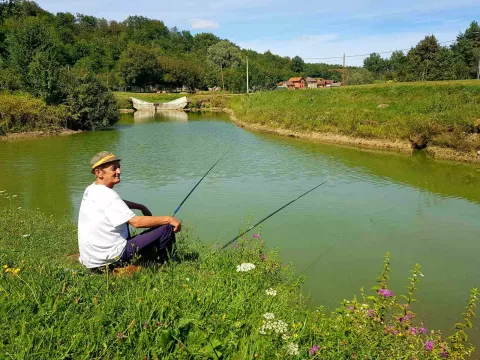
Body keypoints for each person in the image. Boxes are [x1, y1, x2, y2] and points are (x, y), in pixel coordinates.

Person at [78, 151, 181, 270]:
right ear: (99, 172)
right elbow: (136, 223)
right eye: (114, 168)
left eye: (119, 168)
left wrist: (140, 206)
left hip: (92, 259)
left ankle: (150, 258)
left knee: (133, 224)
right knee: (166, 228)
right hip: (111, 257)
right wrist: (169, 219)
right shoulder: (107, 195)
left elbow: (116, 204)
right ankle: (166, 264)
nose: (119, 171)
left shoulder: (92, 189)